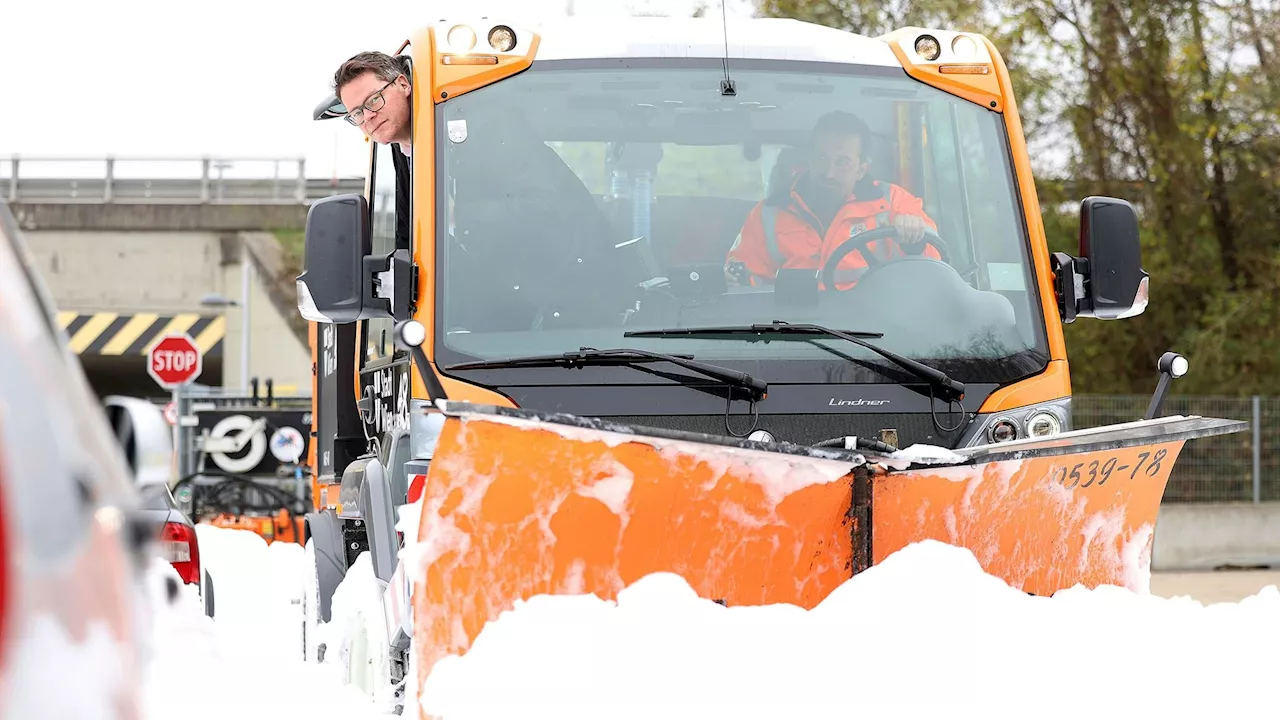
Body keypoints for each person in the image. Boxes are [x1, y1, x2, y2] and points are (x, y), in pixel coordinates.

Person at [724, 111, 943, 290]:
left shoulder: (894, 202)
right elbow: (745, 283)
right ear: (809, 160)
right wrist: (738, 280)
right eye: (822, 159)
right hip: (793, 332)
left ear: (861, 170)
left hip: (873, 332)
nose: (829, 172)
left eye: (842, 162)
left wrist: (915, 241)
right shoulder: (767, 215)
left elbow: (934, 265)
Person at [332, 51, 413, 249]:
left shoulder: (459, 134)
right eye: (357, 113)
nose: (367, 117)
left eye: (374, 100)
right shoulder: (403, 151)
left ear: (403, 84)